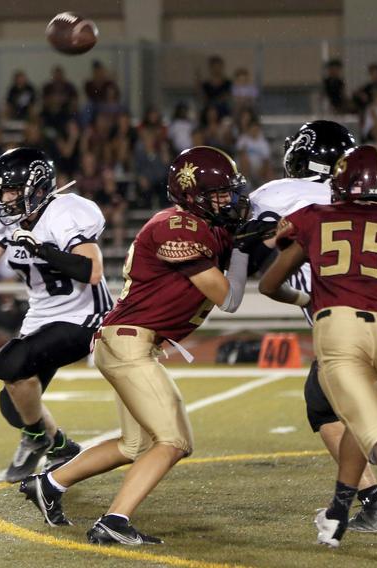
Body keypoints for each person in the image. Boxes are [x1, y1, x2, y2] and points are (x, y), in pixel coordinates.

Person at [20, 146, 250, 544]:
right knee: (174, 441)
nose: (229, 201)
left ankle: (50, 484)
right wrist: (246, 248)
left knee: (134, 444)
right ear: (193, 196)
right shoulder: (179, 228)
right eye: (219, 194)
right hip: (129, 344)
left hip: (128, 343)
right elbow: (228, 298)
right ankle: (114, 522)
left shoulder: (202, 226)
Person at [241, 121, 377, 535]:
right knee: (358, 416)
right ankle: (349, 505)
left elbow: (263, 282)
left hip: (347, 330)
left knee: (371, 430)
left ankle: (370, 504)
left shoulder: (307, 212)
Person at [0, 147, 112, 483]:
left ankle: (37, 438)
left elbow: (92, 271)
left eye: (12, 190)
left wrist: (42, 249)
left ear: (38, 188)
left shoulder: (65, 213)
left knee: (7, 364)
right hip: (42, 316)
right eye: (2, 190)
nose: (4, 197)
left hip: (85, 316)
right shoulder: (7, 218)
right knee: (15, 405)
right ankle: (59, 446)